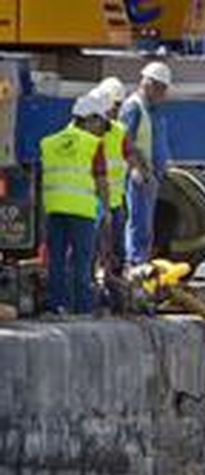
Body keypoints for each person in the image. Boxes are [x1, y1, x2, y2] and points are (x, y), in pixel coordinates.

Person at [41, 93, 111, 316]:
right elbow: (101, 180)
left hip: (54, 209)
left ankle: (56, 306)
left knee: (57, 260)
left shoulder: (49, 142)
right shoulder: (92, 144)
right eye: (100, 122)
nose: (102, 129)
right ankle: (82, 308)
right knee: (83, 260)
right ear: (89, 119)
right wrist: (107, 210)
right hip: (81, 211)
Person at [121, 61, 171, 267]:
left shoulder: (153, 109)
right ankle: (135, 261)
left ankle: (141, 259)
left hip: (151, 173)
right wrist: (137, 168)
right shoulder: (134, 107)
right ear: (149, 84)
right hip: (141, 174)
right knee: (139, 221)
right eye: (161, 89)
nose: (163, 94)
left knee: (146, 222)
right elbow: (125, 141)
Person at [89, 78, 131, 300]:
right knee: (92, 249)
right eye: (114, 106)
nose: (116, 111)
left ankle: (114, 294)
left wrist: (142, 169)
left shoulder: (119, 131)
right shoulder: (87, 130)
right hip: (91, 202)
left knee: (116, 251)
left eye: (118, 106)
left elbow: (129, 154)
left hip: (114, 200)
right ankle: (91, 291)